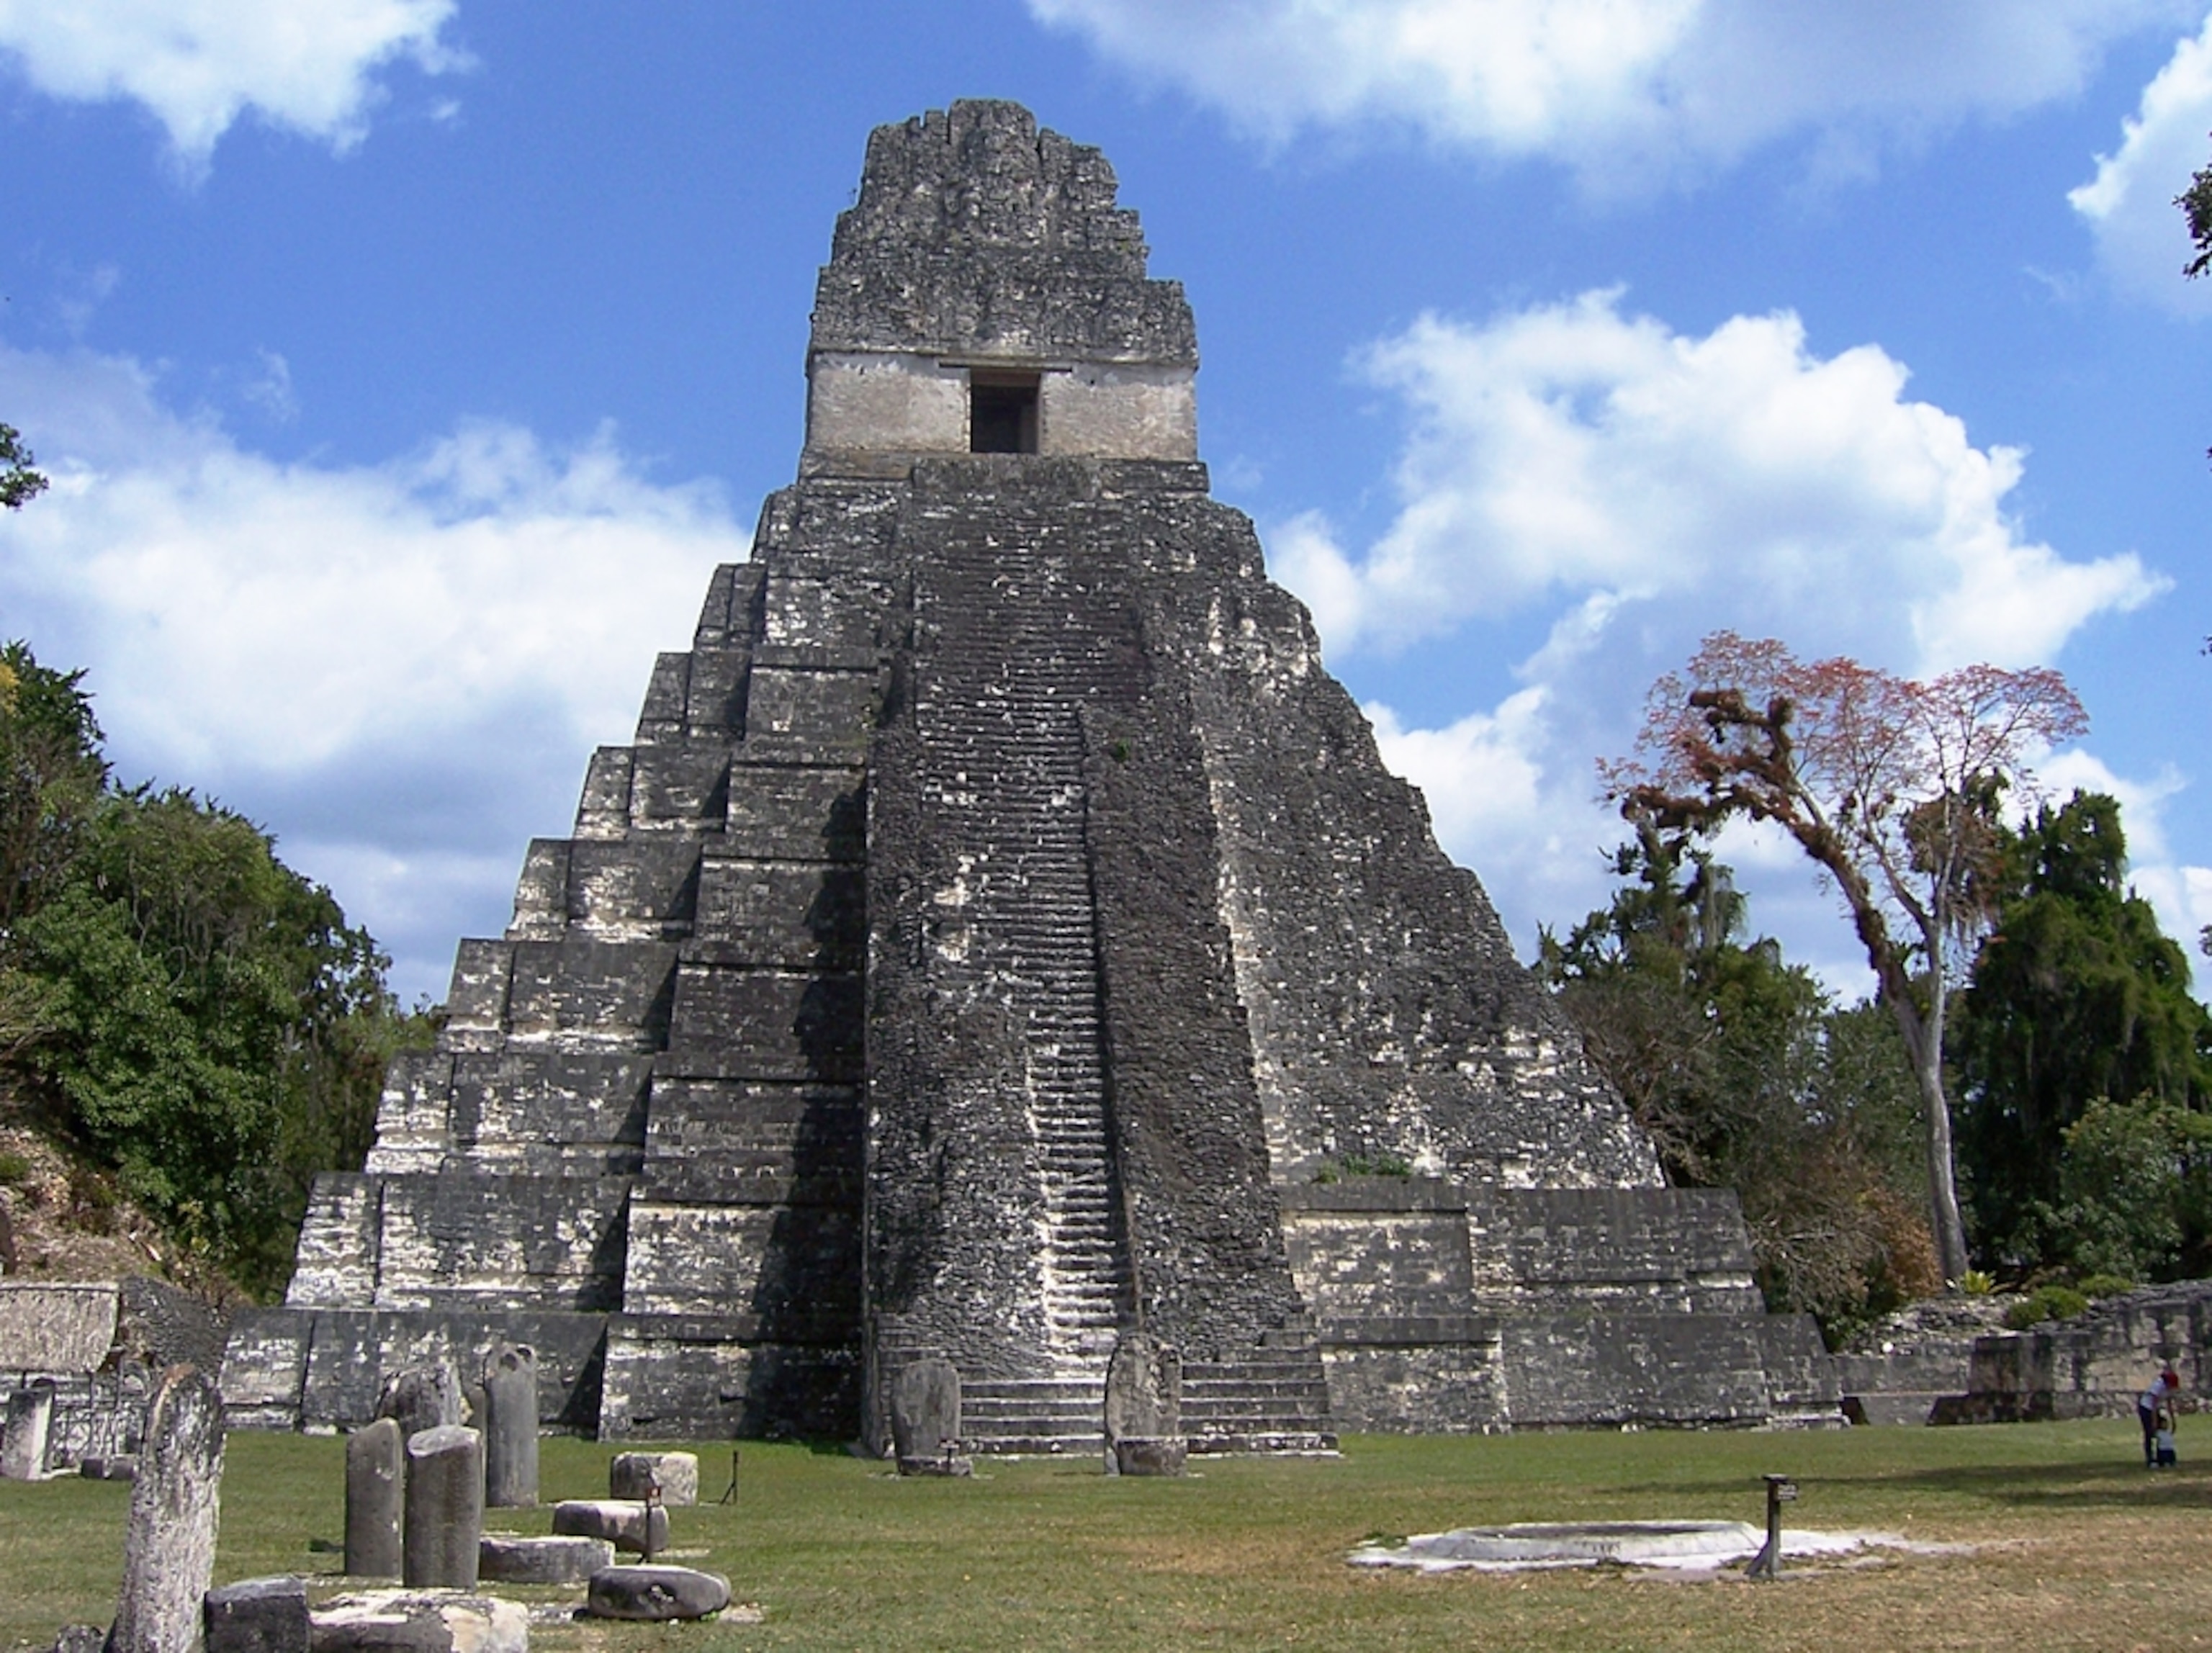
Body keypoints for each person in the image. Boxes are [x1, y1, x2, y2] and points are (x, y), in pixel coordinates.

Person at [2139, 1369, 2182, 1467]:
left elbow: (2169, 1403)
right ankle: (2150, 1459)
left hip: (2155, 1409)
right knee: (2150, 1432)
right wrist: (2154, 1421)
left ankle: (2162, 1458)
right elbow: (2153, 1404)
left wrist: (2173, 1420)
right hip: (2146, 1408)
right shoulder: (2158, 1385)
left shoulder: (2168, 1389)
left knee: (2161, 1433)